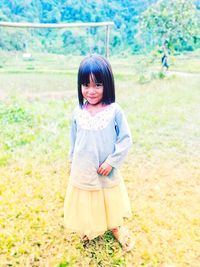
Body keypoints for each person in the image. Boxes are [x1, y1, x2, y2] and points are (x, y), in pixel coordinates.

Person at [64, 54, 134, 252]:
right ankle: (90, 227)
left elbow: (125, 140)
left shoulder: (114, 111)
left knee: (109, 199)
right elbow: (74, 141)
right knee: (87, 198)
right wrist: (71, 161)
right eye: (86, 85)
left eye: (97, 85)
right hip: (83, 169)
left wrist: (112, 161)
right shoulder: (78, 111)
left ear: (108, 85)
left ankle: (115, 227)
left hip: (105, 169)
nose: (91, 91)